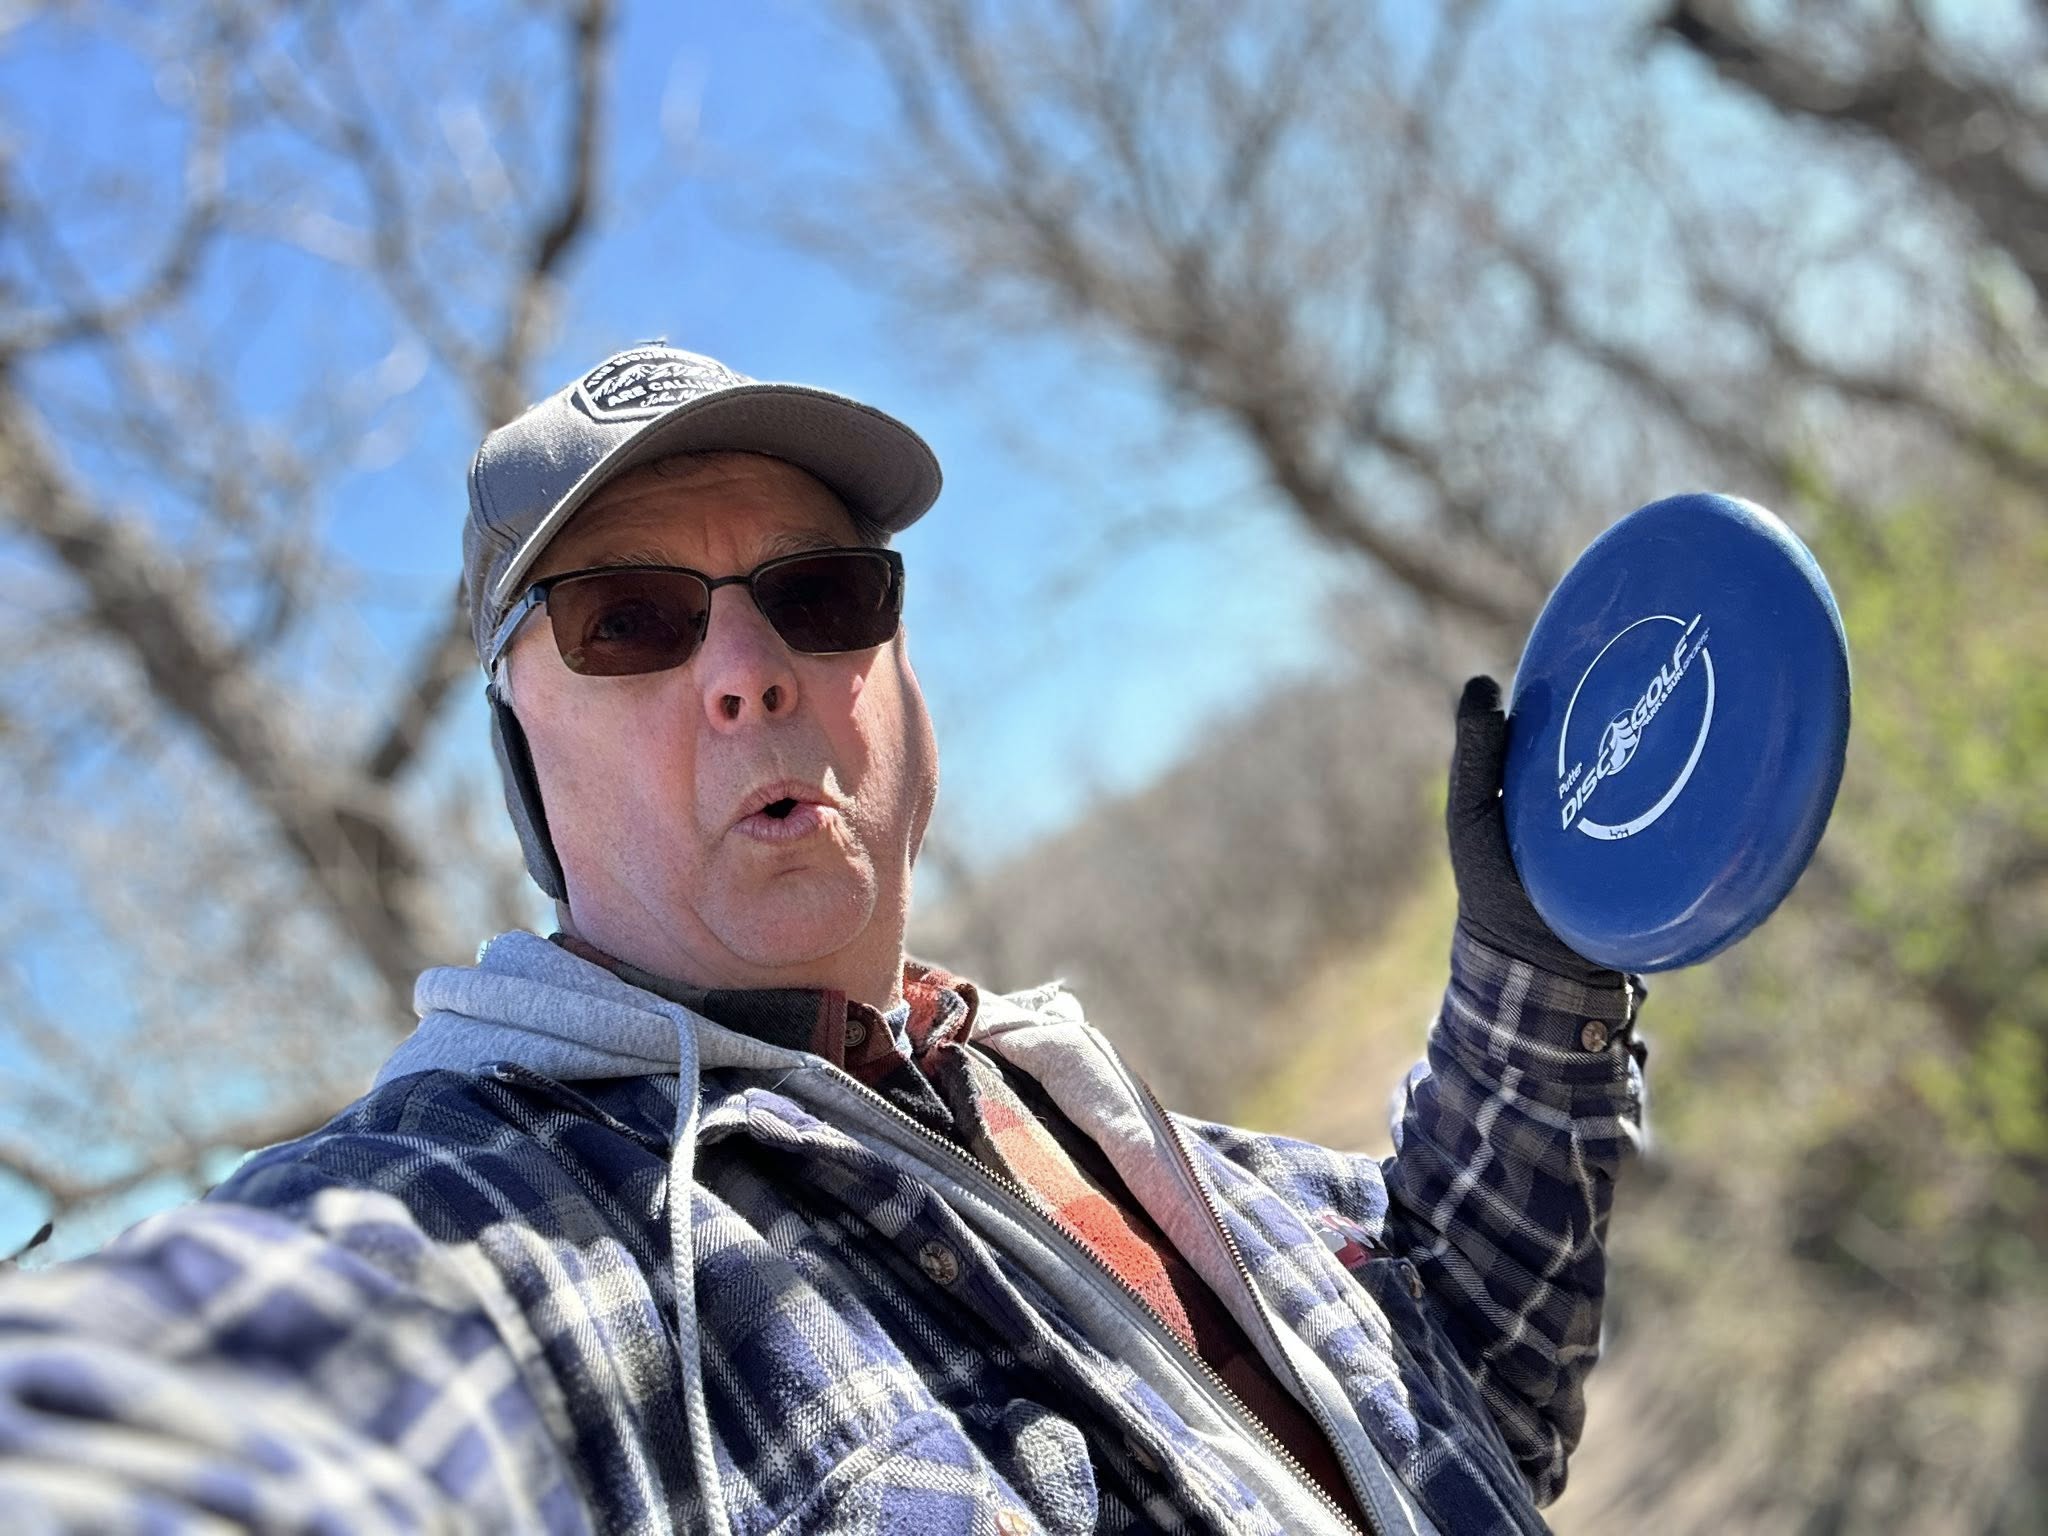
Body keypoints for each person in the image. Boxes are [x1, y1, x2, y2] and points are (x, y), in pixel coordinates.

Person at [0, 344, 1646, 1535]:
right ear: (521, 760)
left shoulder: (1065, 1105)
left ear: (904, 687)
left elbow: (1459, 1391)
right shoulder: (502, 1230)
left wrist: (1542, 962)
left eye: (822, 593)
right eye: (630, 621)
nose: (749, 669)